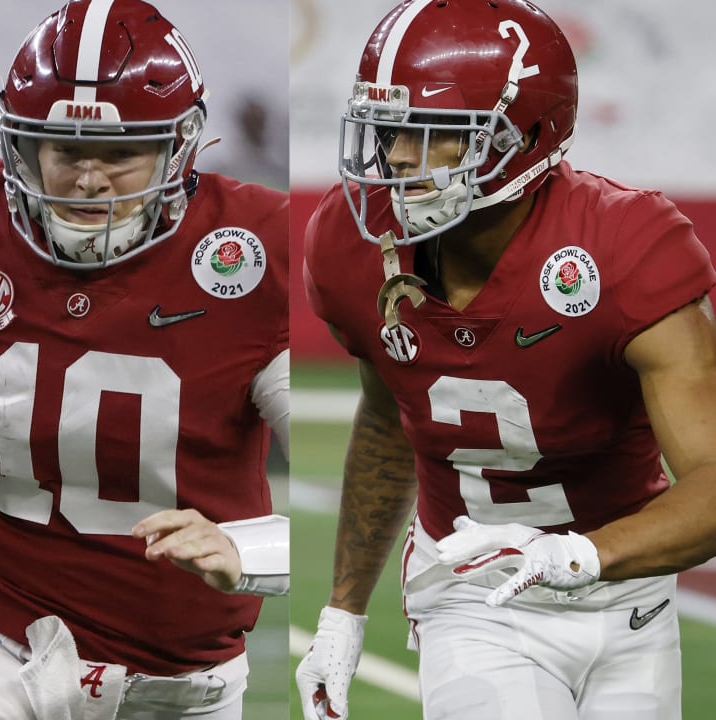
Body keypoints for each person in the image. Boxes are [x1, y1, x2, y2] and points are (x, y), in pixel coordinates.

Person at [0, 1, 289, 718]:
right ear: (22, 147)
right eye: (66, 151)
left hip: (179, 682)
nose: (89, 180)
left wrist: (247, 548)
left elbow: (350, 478)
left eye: (120, 154)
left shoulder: (250, 258)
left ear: (178, 148)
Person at [294, 1, 716, 718]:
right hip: (468, 587)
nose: (396, 156)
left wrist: (573, 556)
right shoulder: (349, 244)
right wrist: (344, 609)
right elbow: (391, 413)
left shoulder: (624, 250)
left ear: (523, 137)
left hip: (627, 587)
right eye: (391, 128)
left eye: (433, 134)